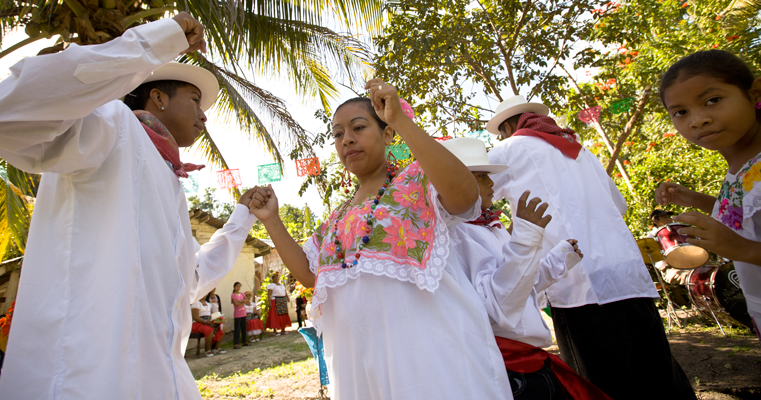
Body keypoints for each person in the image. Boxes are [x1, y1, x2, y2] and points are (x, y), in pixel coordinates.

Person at [0, 12, 259, 399]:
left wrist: (241, 217)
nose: (204, 114)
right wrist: (153, 42)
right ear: (157, 97)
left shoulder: (168, 179)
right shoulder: (108, 126)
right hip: (84, 382)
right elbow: (4, 115)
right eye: (195, 99)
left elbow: (190, 279)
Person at [248, 80, 514, 399]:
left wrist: (401, 119)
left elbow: (464, 196)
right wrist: (272, 220)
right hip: (362, 367)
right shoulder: (336, 219)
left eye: (358, 127)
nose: (347, 139)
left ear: (387, 134)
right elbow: (308, 273)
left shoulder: (417, 182)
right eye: (337, 134)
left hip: (432, 360)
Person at [486, 95, 695, 399]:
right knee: (659, 376)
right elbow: (619, 206)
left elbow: (471, 190)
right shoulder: (580, 151)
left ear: (507, 127)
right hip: (629, 278)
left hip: (581, 286)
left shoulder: (510, 149)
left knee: (603, 385)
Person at [443, 138, 610, 400]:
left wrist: (558, 260)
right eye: (481, 176)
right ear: (456, 184)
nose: (491, 184)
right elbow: (501, 306)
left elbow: (521, 288)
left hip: (526, 359)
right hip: (510, 364)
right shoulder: (460, 235)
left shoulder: (490, 228)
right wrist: (525, 240)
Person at [655, 49, 761, 339]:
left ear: (754, 93)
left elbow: (747, 242)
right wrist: (696, 200)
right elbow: (750, 219)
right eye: (681, 112)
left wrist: (741, 250)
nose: (697, 120)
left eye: (712, 100)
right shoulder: (741, 167)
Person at [231, 282, 251, 349]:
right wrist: (243, 301)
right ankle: (236, 343)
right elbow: (236, 303)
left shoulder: (242, 294)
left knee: (244, 328)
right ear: (234, 287)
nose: (238, 288)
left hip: (243, 313)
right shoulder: (233, 295)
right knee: (237, 329)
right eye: (237, 286)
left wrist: (241, 301)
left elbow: (247, 301)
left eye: (239, 286)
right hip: (237, 314)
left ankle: (244, 341)